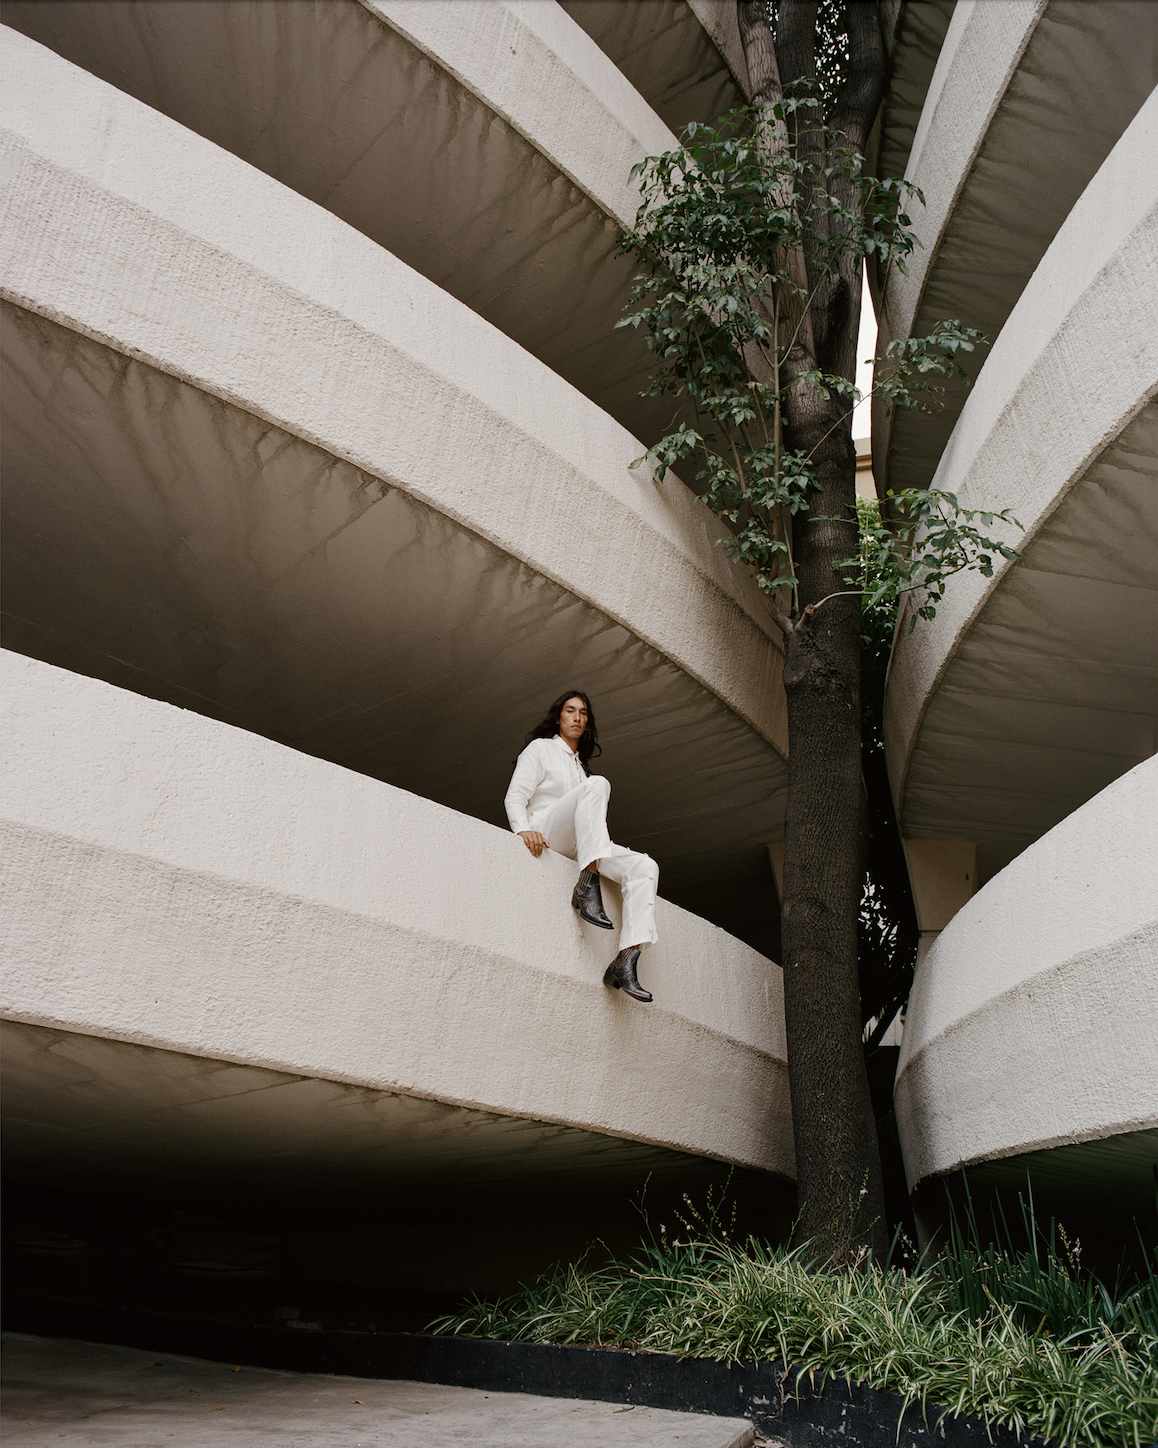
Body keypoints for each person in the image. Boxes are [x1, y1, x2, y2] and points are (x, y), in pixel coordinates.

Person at [505, 690, 659, 1003]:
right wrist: (524, 830)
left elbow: (589, 824)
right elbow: (515, 796)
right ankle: (587, 886)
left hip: (578, 846)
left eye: (583, 713)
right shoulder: (541, 749)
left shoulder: (580, 768)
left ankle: (625, 961)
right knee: (599, 784)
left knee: (646, 866)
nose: (577, 717)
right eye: (570, 710)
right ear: (558, 717)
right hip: (548, 830)